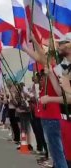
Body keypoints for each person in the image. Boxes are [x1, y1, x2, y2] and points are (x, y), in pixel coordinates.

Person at [23, 35, 69, 168]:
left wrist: (34, 42)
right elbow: (40, 57)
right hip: (53, 115)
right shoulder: (55, 68)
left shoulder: (57, 68)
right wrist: (29, 47)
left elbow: (40, 56)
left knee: (58, 154)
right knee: (58, 153)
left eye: (50, 54)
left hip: (52, 115)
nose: (47, 56)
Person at [38, 34, 71, 168]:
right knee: (63, 158)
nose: (59, 46)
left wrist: (49, 99)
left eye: (62, 43)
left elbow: (69, 98)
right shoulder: (64, 66)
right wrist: (51, 74)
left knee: (63, 159)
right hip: (64, 120)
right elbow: (60, 93)